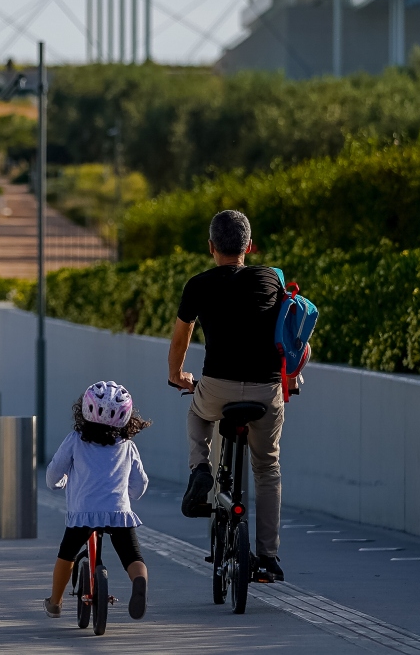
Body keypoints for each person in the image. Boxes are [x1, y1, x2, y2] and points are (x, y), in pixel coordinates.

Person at [167, 209, 287, 582]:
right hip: (266, 390)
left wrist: (177, 375)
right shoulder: (271, 278)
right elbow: (288, 331)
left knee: (197, 415)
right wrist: (290, 379)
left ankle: (200, 468)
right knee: (267, 468)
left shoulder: (198, 285)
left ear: (211, 247)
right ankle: (267, 558)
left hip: (217, 386)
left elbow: (181, 336)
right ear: (249, 246)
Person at [43, 381, 151, 621]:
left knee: (67, 554)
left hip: (83, 514)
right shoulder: (128, 446)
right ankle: (140, 581)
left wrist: (56, 483)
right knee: (133, 556)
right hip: (118, 513)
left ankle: (55, 602)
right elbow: (139, 483)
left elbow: (54, 472)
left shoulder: (75, 439)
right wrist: (131, 494)